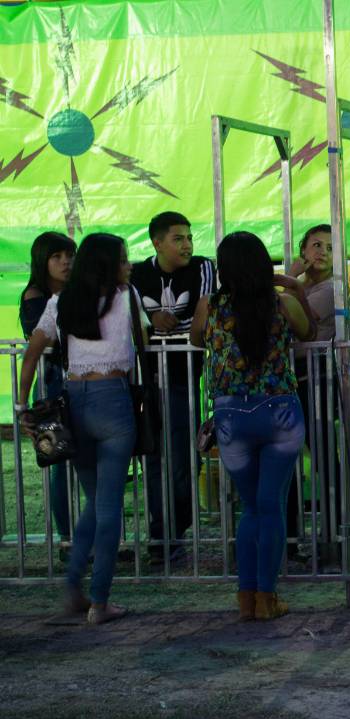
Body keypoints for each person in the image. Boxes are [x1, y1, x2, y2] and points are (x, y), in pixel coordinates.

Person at [17, 233, 144, 625]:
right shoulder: (126, 297)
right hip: (114, 398)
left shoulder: (61, 301)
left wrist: (22, 405)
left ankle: (74, 584)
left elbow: (33, 348)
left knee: (95, 502)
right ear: (110, 264)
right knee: (109, 508)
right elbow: (144, 337)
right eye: (124, 259)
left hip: (74, 400)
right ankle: (100, 601)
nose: (129, 266)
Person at [190, 231, 316, 620]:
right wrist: (295, 285)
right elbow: (308, 331)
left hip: (232, 420)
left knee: (250, 509)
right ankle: (267, 597)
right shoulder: (282, 303)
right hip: (280, 414)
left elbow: (197, 341)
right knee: (271, 505)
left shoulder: (209, 306)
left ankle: (246, 598)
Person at [130, 211, 215, 564]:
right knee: (152, 457)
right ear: (157, 242)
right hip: (147, 382)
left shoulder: (203, 268)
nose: (187, 244)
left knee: (184, 457)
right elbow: (131, 317)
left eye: (189, 237)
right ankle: (160, 536)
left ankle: (176, 527)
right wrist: (149, 319)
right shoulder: (136, 273)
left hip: (184, 380)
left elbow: (203, 314)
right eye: (178, 238)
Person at [284, 224, 339, 560]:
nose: (322, 252)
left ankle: (333, 536)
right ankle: (289, 537)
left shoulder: (331, 289)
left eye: (331, 247)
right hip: (292, 376)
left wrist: (288, 281)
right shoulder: (298, 287)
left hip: (318, 375)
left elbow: (291, 318)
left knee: (322, 457)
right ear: (303, 251)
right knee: (286, 459)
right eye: (316, 245)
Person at [19, 231, 75, 548]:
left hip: (78, 382)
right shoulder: (34, 296)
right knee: (60, 459)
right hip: (53, 385)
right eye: (57, 257)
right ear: (43, 261)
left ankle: (82, 537)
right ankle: (68, 539)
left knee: (82, 463)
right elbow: (42, 339)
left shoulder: (78, 292)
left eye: (69, 256)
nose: (65, 262)